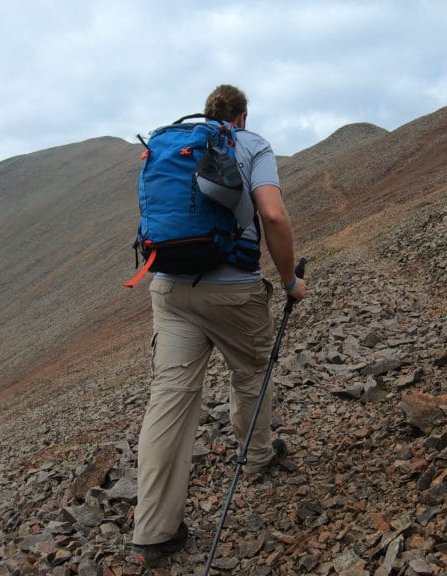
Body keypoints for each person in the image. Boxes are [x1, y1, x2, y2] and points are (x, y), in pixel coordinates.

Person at [129, 84, 307, 564]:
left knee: (169, 398)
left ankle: (153, 531)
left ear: (207, 114)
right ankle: (257, 459)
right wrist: (289, 280)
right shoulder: (251, 144)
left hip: (169, 287)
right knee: (250, 374)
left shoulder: (170, 146)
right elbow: (271, 213)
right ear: (243, 116)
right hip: (232, 290)